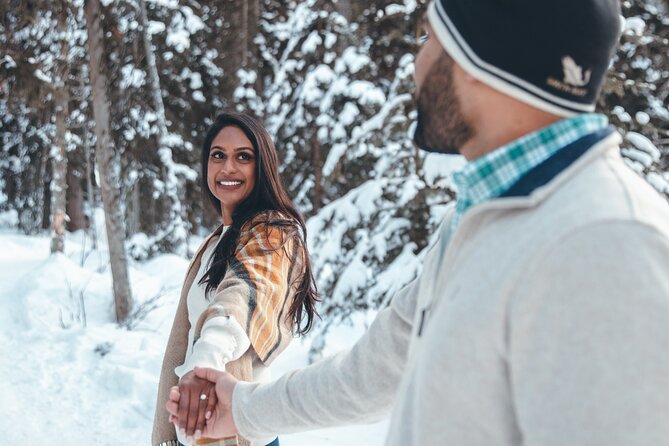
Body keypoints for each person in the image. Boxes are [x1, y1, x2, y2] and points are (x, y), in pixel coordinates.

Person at [167, 1, 669, 444]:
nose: (416, 63)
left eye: (429, 37)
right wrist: (244, 409)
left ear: (480, 58)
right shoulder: (478, 220)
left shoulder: (607, 240)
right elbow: (371, 374)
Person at [152, 112, 319, 446]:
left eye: (243, 157)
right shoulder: (216, 242)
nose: (228, 168)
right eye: (218, 156)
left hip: (241, 433)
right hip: (194, 433)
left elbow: (242, 295)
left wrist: (203, 371)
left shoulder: (272, 235)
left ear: (263, 168)